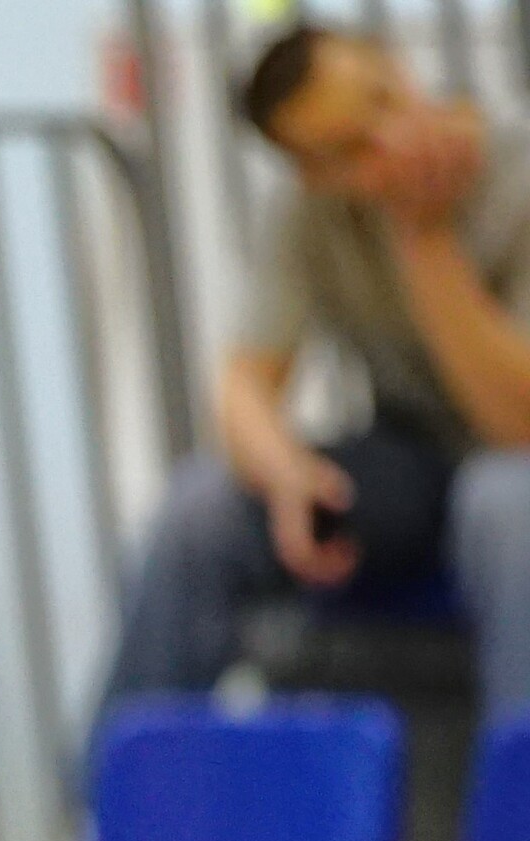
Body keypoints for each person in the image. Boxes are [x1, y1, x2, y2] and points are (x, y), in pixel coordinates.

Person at [100, 22, 530, 730]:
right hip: (415, 460)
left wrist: (424, 239)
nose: (391, 140)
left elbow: (515, 428)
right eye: (352, 149)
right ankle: (113, 809)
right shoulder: (311, 215)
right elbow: (244, 384)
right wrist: (287, 472)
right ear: (314, 174)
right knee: (200, 507)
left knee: (505, 506)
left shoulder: (512, 174)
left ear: (399, 65)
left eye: (386, 100)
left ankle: (519, 816)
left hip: (510, 461)